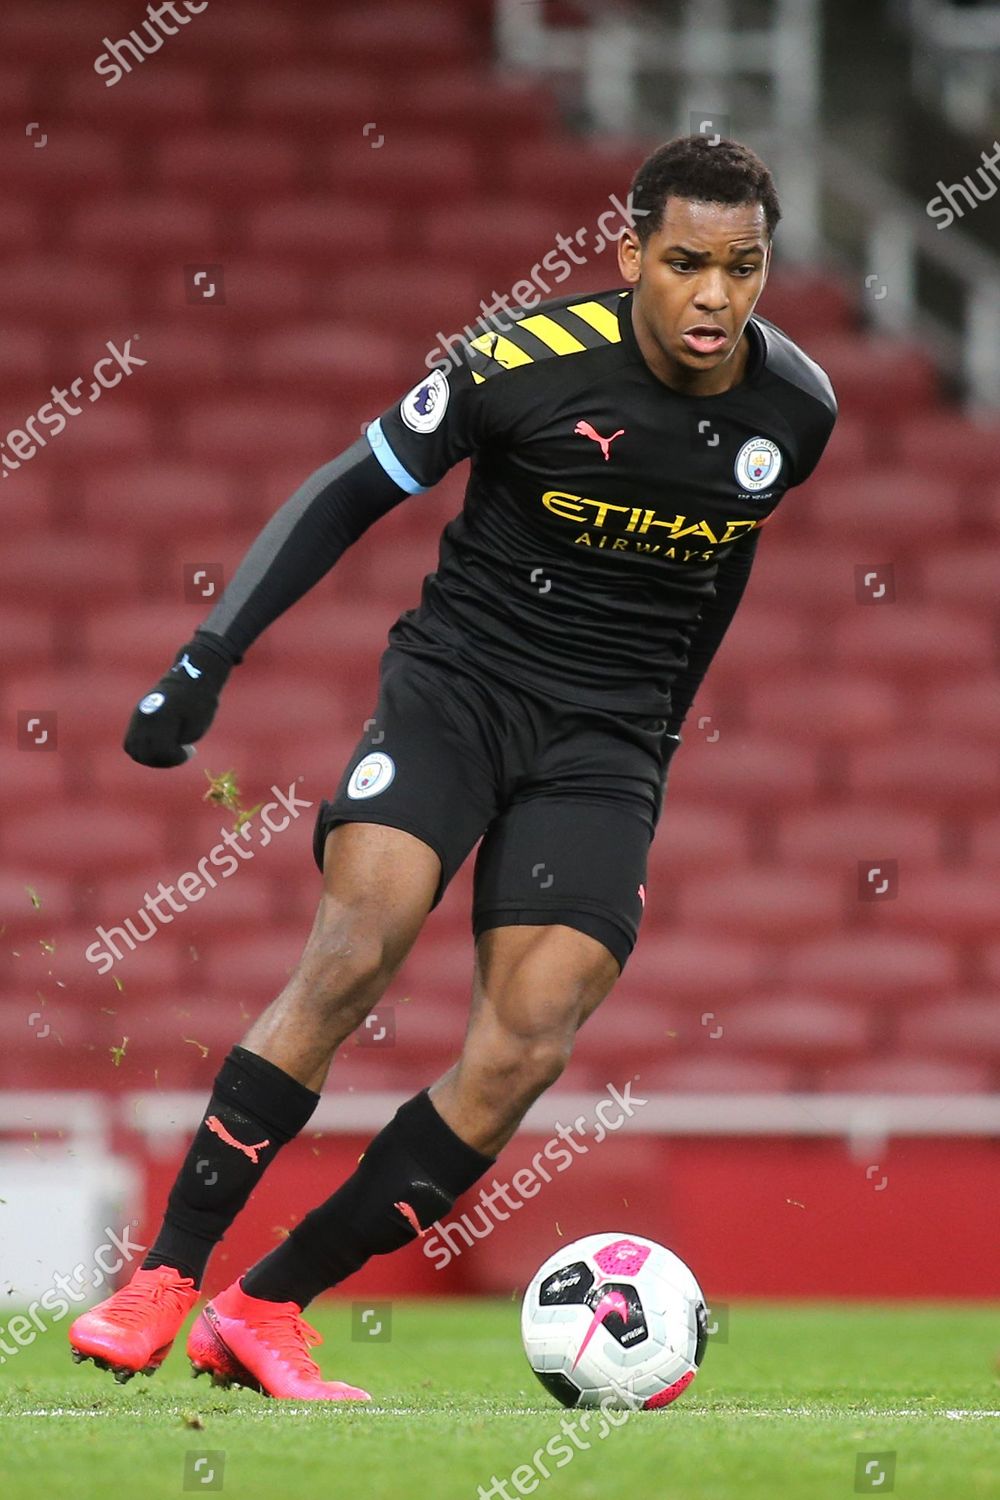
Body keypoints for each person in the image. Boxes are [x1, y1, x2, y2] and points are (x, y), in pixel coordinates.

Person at [69, 135, 837, 1400]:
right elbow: (344, 493)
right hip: (460, 692)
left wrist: (661, 727)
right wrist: (207, 657)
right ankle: (165, 1275)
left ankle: (265, 1307)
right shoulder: (520, 365)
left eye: (744, 268)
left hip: (604, 740)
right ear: (630, 249)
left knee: (527, 1041)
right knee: (359, 942)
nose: (716, 297)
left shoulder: (792, 411)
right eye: (688, 263)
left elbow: (723, 560)